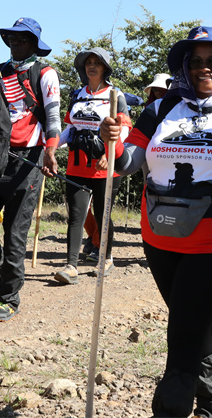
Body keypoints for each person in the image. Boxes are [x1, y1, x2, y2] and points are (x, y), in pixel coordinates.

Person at [100, 25, 212, 417]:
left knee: (182, 335)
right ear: (184, 66)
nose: (204, 69)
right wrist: (113, 144)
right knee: (193, 324)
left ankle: (171, 409)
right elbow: (128, 162)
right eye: (195, 62)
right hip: (160, 240)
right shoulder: (159, 110)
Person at [0, 17, 61, 321]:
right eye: (12, 37)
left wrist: (50, 150)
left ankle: (9, 297)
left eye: (22, 39)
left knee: (15, 233)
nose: (15, 43)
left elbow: (52, 116)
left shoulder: (46, 74)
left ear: (34, 43)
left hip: (30, 160)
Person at [54, 47, 129, 284]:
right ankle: (71, 266)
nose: (92, 66)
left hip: (105, 165)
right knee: (76, 215)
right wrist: (51, 147)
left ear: (105, 68)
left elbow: (124, 129)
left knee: (102, 214)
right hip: (77, 165)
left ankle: (106, 258)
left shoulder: (116, 95)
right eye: (88, 62)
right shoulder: (77, 94)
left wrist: (111, 153)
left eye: (97, 62)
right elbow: (70, 129)